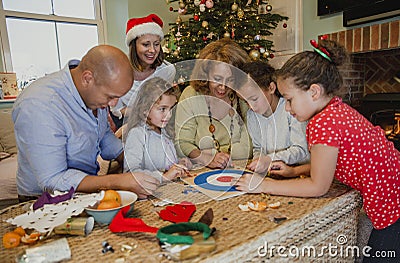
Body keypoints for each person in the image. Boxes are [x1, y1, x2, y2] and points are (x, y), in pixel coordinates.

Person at [235, 39, 400, 261]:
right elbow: (331, 161)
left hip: (392, 202)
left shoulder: (323, 123)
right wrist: (294, 172)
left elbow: (318, 186)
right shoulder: (335, 110)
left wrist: (264, 185)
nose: (288, 107)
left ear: (314, 91)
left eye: (290, 99)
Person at [12, 45, 159, 200]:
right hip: (42, 199)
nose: (113, 104)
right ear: (87, 78)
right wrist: (118, 181)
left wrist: (135, 159)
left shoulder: (94, 94)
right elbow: (52, 180)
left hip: (82, 192)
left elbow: (104, 136)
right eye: (110, 97)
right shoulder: (39, 105)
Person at [175, 38, 252, 169]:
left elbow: (249, 148)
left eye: (230, 80)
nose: (222, 87)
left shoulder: (243, 98)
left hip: (239, 168)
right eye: (217, 79)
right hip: (199, 171)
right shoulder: (191, 95)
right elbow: (182, 145)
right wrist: (205, 159)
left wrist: (208, 153)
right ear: (205, 75)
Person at [238, 61, 309, 175]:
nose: (251, 106)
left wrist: (269, 159)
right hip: (273, 173)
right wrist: (258, 160)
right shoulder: (252, 115)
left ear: (271, 88)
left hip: (298, 172)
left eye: (254, 99)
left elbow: (301, 150)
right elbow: (258, 148)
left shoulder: (291, 110)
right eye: (246, 101)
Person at [110, 13, 174, 129]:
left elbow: (163, 105)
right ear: (134, 46)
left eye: (156, 44)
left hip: (155, 123)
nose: (152, 50)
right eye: (145, 44)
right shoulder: (118, 71)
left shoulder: (167, 71)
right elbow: (117, 109)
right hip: (124, 122)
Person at [123, 77, 191, 181]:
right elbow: (130, 173)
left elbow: (167, 163)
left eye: (170, 109)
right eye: (162, 109)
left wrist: (179, 163)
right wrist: (163, 177)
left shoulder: (165, 132)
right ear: (145, 109)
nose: (168, 115)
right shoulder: (137, 134)